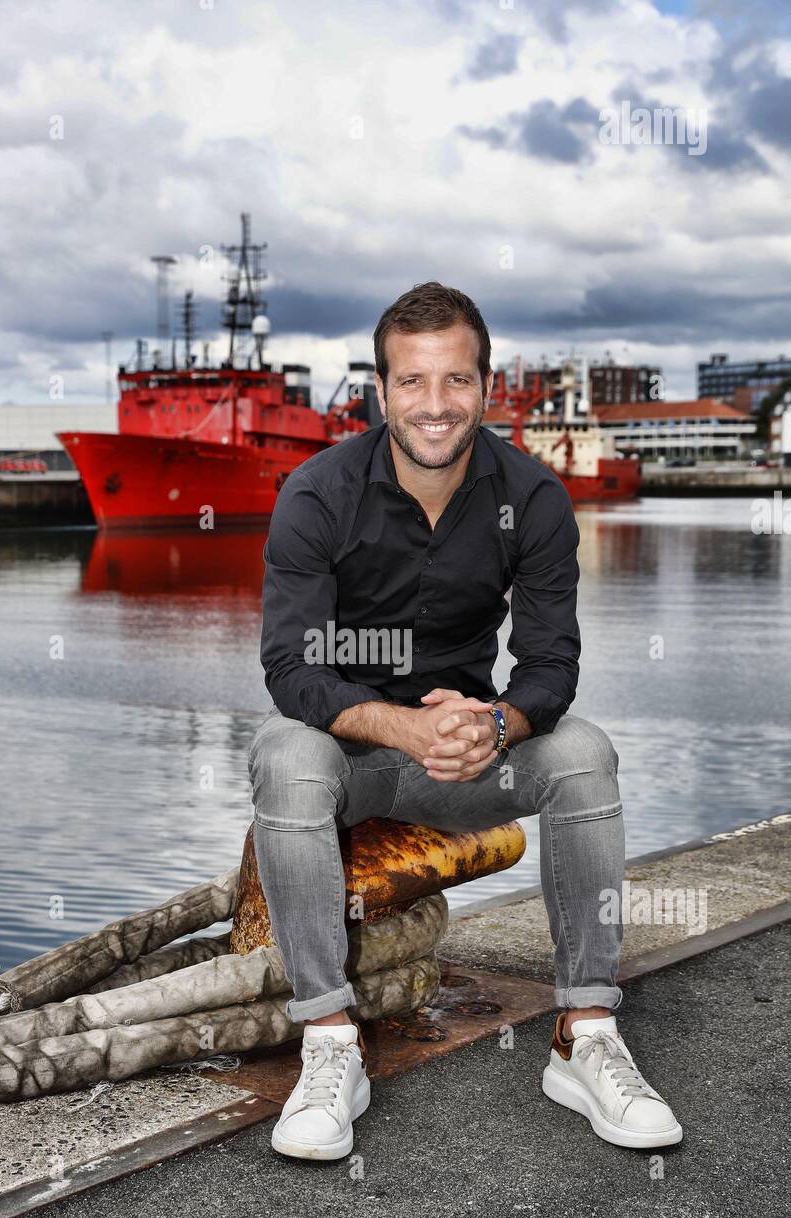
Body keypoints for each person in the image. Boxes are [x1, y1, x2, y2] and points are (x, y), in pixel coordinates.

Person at [248, 281, 682, 1161]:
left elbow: (552, 662)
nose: (435, 405)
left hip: (473, 757)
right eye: (412, 382)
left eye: (455, 381)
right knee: (284, 752)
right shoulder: (317, 494)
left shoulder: (535, 497)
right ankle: (331, 1045)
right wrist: (398, 728)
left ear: (485, 387)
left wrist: (501, 723)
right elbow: (290, 667)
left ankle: (585, 1034)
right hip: (360, 758)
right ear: (381, 390)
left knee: (587, 752)